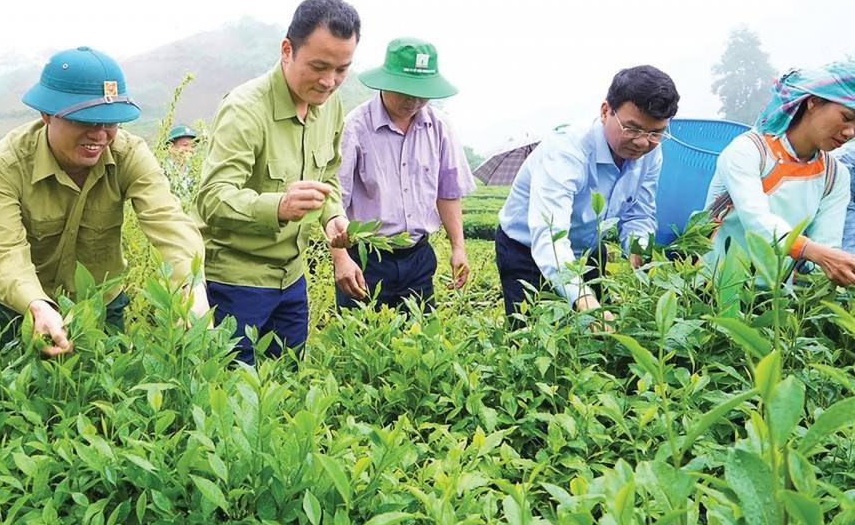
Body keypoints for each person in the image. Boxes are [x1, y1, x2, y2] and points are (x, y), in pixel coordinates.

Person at [0, 46, 208, 356]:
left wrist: (190, 286)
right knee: (13, 398)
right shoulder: (2, 166)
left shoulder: (129, 155)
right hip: (22, 310)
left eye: (110, 123)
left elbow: (168, 220)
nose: (99, 135)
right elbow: (4, 252)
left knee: (103, 396)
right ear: (46, 115)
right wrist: (37, 305)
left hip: (101, 305)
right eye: (86, 121)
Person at [194, 0, 356, 364]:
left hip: (292, 281)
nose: (329, 81)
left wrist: (333, 217)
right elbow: (212, 199)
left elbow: (328, 173)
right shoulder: (245, 109)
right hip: (237, 283)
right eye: (319, 66)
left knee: (286, 386)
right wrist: (279, 206)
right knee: (233, 396)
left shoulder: (331, 104)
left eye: (342, 69)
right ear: (287, 50)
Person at [495, 65, 680, 324]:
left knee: (597, 337)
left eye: (655, 133)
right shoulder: (565, 151)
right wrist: (583, 299)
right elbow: (550, 236)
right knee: (531, 335)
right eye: (633, 129)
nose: (642, 142)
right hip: (526, 248)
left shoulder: (650, 153)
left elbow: (639, 213)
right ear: (606, 111)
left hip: (587, 247)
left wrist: (639, 252)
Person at [333, 37, 475, 310]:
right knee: (360, 343)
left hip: (418, 257)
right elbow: (334, 201)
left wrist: (458, 247)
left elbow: (447, 193)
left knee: (419, 344)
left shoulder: (439, 127)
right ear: (386, 82)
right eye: (405, 92)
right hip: (366, 259)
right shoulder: (355, 127)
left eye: (421, 94)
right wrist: (341, 259)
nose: (414, 101)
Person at [704, 62, 855, 286]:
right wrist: (817, 253)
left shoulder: (835, 175)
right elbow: (757, 222)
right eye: (846, 117)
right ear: (813, 101)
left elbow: (826, 248)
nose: (850, 132)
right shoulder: (749, 151)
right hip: (713, 288)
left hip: (777, 300)